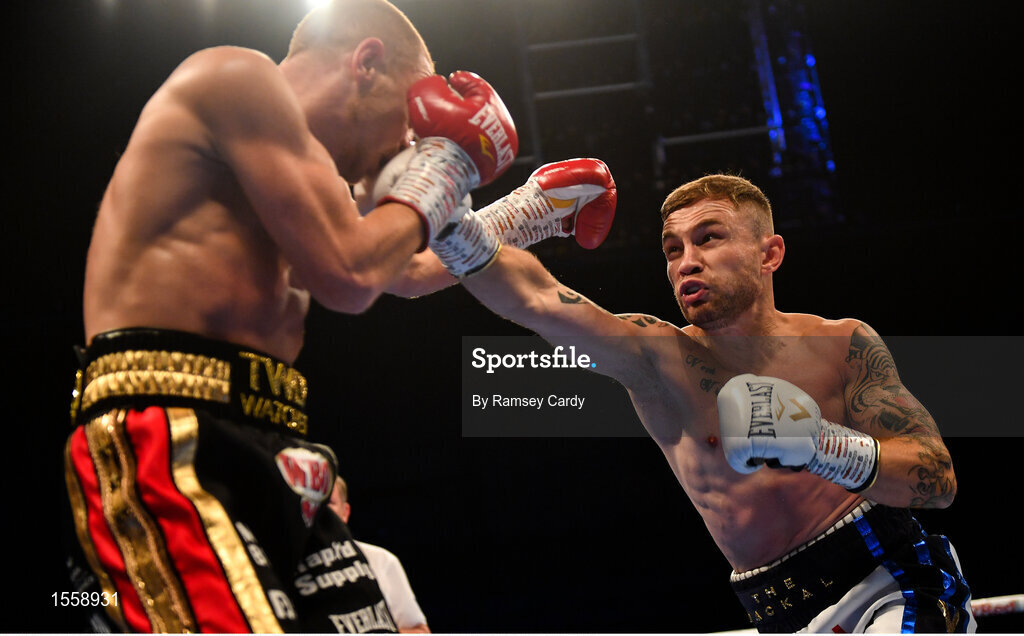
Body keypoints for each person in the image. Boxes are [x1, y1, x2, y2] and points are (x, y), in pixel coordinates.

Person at [61, 0, 521, 631]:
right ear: (367, 63)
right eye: (408, 123)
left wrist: (529, 209)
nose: (405, 147)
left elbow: (401, 271)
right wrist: (448, 164)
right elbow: (351, 274)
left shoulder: (316, 185)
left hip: (273, 442)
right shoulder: (233, 77)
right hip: (166, 425)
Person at [426, 172, 976, 633]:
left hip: (892, 580)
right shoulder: (657, 359)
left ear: (770, 253)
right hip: (775, 612)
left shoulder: (843, 344)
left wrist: (821, 446)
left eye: (709, 237)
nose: (686, 261)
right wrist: (458, 225)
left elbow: (938, 480)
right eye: (673, 249)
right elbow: (539, 300)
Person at [328, 477, 430, 633]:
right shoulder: (283, 567)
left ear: (345, 512)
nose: (320, 511)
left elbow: (418, 631)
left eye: (329, 503)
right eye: (313, 502)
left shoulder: (381, 561)